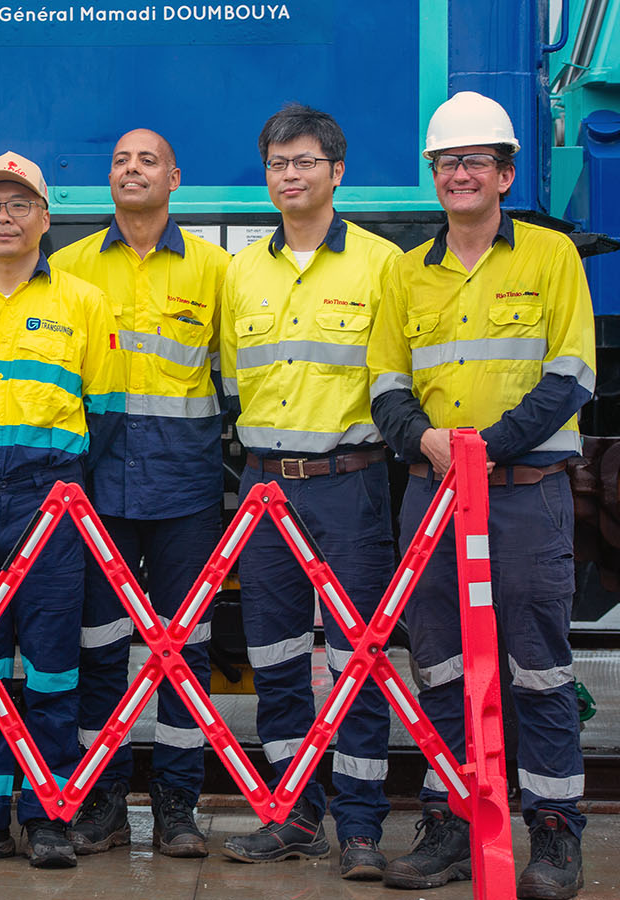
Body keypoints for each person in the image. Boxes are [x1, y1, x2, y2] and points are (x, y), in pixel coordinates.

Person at [367, 91, 594, 899]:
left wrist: (485, 447)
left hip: (525, 494)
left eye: (474, 161)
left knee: (538, 667)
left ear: (505, 175)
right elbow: (385, 383)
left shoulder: (550, 257)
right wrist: (425, 440)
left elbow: (571, 374)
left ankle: (556, 835)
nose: (458, 174)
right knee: (441, 665)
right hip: (432, 493)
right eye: (446, 162)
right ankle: (451, 825)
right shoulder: (405, 272)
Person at [217, 104, 399, 879]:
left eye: (304, 162)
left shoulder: (382, 265)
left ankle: (359, 828)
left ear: (336, 171)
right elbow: (233, 382)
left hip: (349, 485)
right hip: (265, 490)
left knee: (359, 659)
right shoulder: (241, 273)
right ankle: (293, 813)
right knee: (277, 656)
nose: (289, 175)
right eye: (277, 163)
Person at [0, 152, 121, 869]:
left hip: (52, 500)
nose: (2, 217)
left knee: (51, 666)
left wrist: (50, 478)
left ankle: (48, 816)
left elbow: (105, 411)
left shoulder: (84, 301)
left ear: (44, 217)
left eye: (18, 205)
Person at [49, 129, 229, 858]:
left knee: (184, 653)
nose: (132, 170)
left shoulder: (217, 270)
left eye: (147, 160)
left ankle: (179, 804)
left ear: (174, 178)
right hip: (99, 491)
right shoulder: (68, 266)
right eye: (121, 160)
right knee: (99, 649)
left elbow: (235, 381)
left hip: (187, 489)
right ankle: (103, 800)